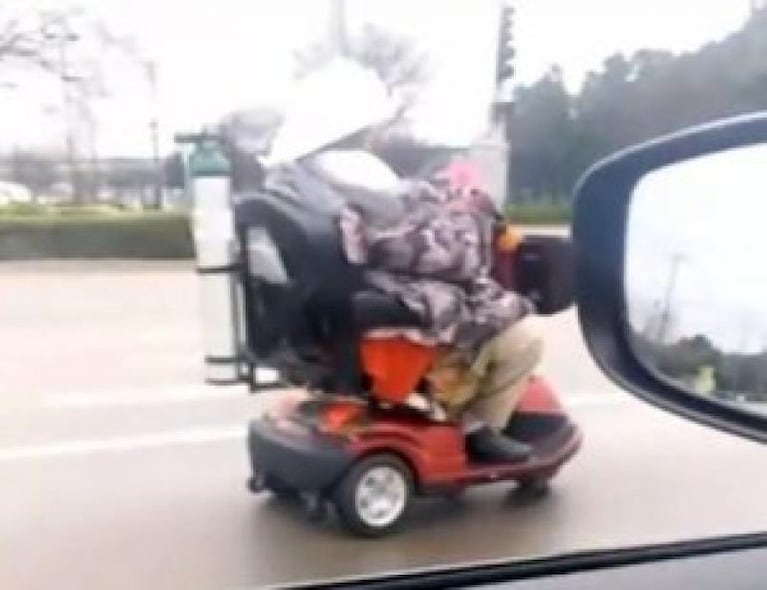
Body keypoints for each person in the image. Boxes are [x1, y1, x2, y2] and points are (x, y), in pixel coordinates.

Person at [264, 58, 541, 463]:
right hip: (395, 296)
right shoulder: (360, 172)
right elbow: (428, 249)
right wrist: (473, 222)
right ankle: (478, 428)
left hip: (330, 304)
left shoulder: (292, 179)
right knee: (522, 337)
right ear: (359, 125)